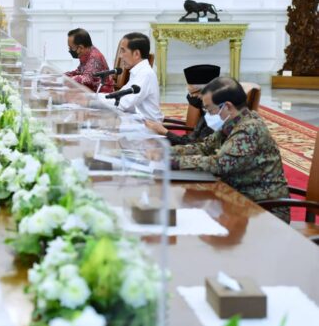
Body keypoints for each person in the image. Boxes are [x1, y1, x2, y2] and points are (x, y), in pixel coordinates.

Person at [170, 77, 290, 222]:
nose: (208, 114)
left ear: (227, 106)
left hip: (264, 210)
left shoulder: (249, 129)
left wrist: (173, 162)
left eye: (210, 109)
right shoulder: (232, 124)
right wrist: (166, 152)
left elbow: (219, 164)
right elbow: (204, 147)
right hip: (239, 198)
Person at [145, 64, 219, 144]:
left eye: (194, 94)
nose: (191, 97)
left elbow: (192, 144)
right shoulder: (208, 108)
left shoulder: (215, 115)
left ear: (207, 91)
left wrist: (164, 132)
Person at [101, 32, 163, 121]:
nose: (120, 56)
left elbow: (124, 104)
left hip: (148, 127)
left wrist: (91, 102)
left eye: (123, 51)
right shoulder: (138, 71)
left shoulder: (145, 74)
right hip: (138, 121)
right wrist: (92, 96)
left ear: (136, 54)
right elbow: (118, 95)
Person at [64, 28, 114, 92]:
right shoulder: (87, 52)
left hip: (102, 95)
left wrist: (66, 80)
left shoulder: (94, 58)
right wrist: (62, 75)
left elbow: (86, 79)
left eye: (71, 48)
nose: (70, 50)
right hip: (91, 91)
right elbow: (80, 71)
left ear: (81, 48)